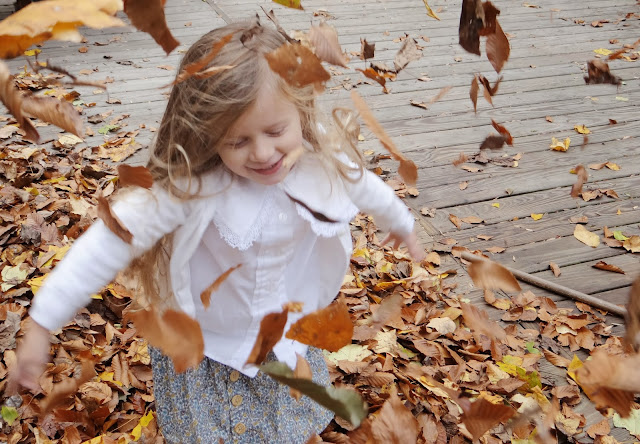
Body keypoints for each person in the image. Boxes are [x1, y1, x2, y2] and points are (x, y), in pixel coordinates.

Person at [11, 19, 424, 444]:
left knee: (284, 428)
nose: (262, 153)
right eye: (236, 141)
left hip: (283, 330)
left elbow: (364, 185)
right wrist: (42, 322)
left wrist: (400, 222)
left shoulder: (320, 161)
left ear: (299, 109)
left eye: (275, 131)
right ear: (207, 135)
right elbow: (108, 242)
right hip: (209, 342)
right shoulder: (188, 187)